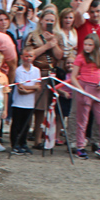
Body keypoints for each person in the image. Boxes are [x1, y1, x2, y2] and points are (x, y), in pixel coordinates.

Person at [24, 10, 64, 149]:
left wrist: (54, 43)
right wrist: (46, 45)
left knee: (45, 108)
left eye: (52, 20)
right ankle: (26, 136)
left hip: (51, 73)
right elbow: (29, 54)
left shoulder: (58, 36)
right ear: (41, 20)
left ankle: (39, 139)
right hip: (35, 72)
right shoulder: (33, 36)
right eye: (47, 20)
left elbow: (60, 56)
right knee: (32, 106)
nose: (49, 23)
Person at [71, 34, 100, 159]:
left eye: (90, 45)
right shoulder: (80, 57)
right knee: (82, 120)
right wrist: (80, 89)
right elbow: (73, 76)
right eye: (85, 44)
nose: (87, 47)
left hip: (97, 89)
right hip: (84, 87)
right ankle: (80, 146)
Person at [9, 48, 41, 155]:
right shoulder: (18, 70)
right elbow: (20, 87)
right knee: (16, 124)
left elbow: (38, 86)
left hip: (29, 103)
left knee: (26, 125)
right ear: (22, 57)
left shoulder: (36, 70)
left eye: (30, 56)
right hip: (18, 102)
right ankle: (15, 144)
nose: (28, 58)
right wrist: (32, 88)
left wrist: (28, 89)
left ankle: (23, 143)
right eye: (26, 56)